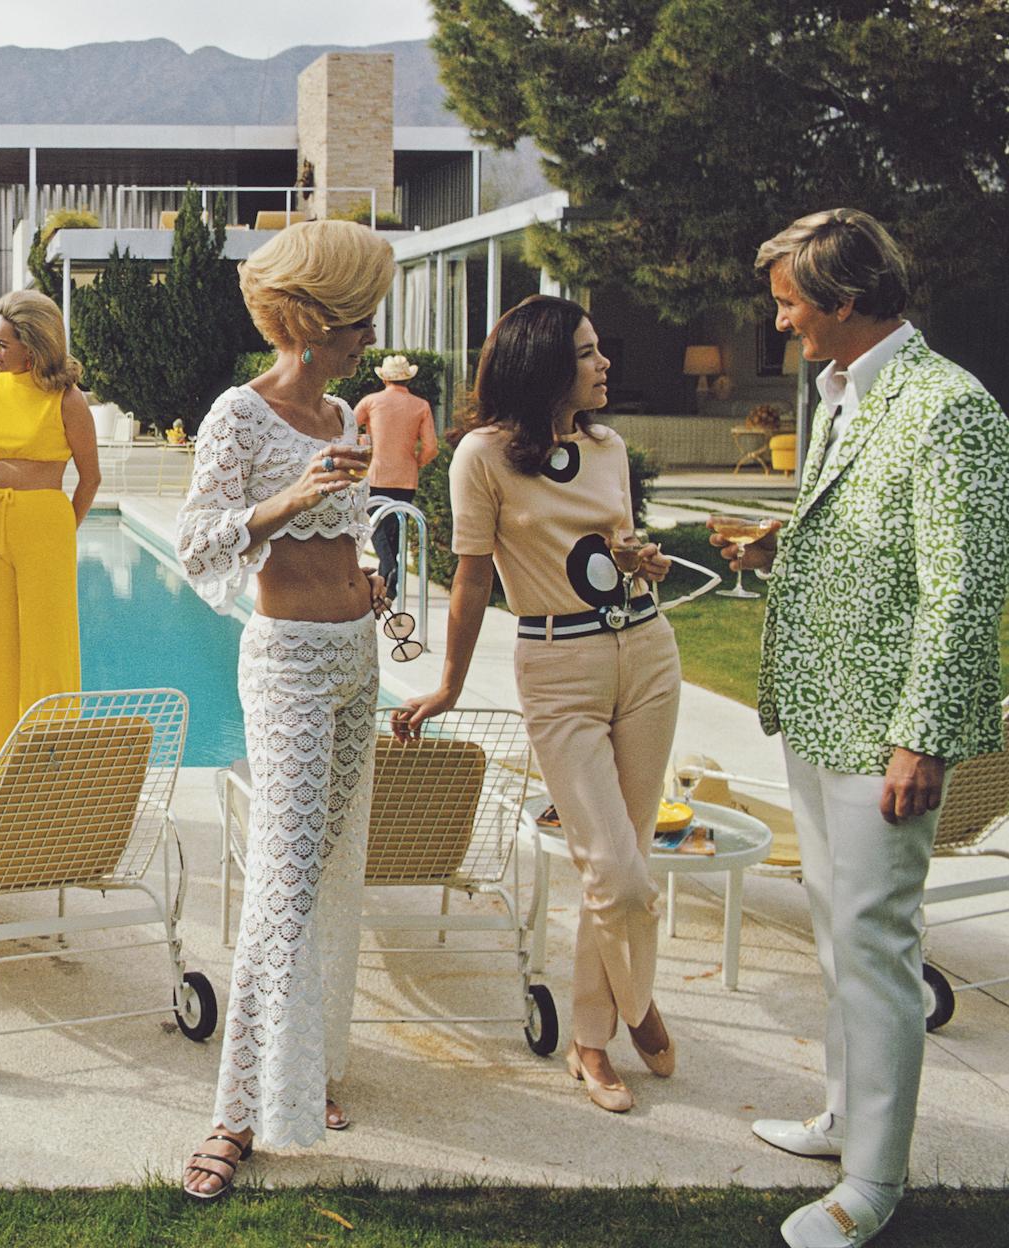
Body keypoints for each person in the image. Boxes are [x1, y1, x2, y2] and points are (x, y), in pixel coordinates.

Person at [718, 209, 1009, 1248]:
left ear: (843, 302)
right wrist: (777, 546)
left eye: (788, 302)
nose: (780, 320)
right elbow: (867, 534)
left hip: (886, 728)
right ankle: (844, 1118)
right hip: (815, 713)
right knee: (837, 940)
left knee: (877, 948)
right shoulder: (838, 390)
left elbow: (961, 590)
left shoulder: (949, 410)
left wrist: (921, 738)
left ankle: (871, 1185)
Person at [398, 294, 679, 1114]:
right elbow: (472, 580)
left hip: (649, 651)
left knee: (626, 857)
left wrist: (643, 562)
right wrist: (449, 684)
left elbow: (616, 551)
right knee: (617, 874)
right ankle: (638, 1000)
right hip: (559, 666)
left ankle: (591, 1042)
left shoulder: (608, 445)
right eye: (588, 354)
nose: (604, 365)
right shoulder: (480, 458)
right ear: (546, 365)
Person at [175, 219, 394, 1199]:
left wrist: (373, 576)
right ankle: (231, 1116)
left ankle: (296, 1078)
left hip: (356, 658)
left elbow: (345, 537)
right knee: (279, 886)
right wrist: (287, 497)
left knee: (330, 873)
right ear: (311, 322)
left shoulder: (345, 414)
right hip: (292, 666)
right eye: (355, 323)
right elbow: (200, 543)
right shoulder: (239, 414)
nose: (367, 338)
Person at [0, 290, 100, 784]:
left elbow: (90, 478)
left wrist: (59, 528)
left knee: (47, 650)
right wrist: (3, 513)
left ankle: (48, 773)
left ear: (32, 348)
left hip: (46, 524)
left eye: (1, 344)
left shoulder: (68, 399)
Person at [354, 353, 438, 599]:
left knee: (376, 527)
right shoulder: (421, 405)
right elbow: (431, 447)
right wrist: (416, 463)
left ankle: (389, 572)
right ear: (407, 378)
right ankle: (390, 583)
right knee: (395, 530)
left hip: (376, 474)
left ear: (384, 378)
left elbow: (347, 427)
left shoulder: (371, 402)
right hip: (406, 477)